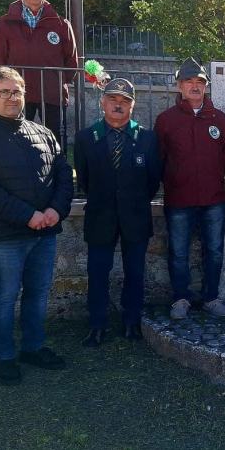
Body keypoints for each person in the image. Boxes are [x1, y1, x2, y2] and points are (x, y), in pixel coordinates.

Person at [0, 66, 73, 386]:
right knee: (5, 296)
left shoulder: (44, 133)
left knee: (38, 294)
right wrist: (28, 215)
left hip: (45, 231)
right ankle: (5, 355)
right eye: (4, 92)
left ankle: (33, 347)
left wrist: (55, 210)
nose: (12, 98)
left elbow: (64, 175)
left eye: (17, 91)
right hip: (5, 236)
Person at [74, 79, 161, 346]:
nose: (118, 105)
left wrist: (130, 200)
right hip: (100, 216)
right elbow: (85, 180)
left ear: (133, 105)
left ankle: (131, 321)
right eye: (113, 99)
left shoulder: (146, 138)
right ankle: (97, 324)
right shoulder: (86, 138)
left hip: (135, 216)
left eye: (125, 101)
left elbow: (153, 180)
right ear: (102, 103)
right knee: (98, 272)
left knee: (135, 272)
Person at [154, 57, 225, 320]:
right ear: (179, 86)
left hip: (213, 198)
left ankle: (211, 297)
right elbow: (159, 157)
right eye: (189, 81)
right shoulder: (166, 120)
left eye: (200, 82)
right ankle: (180, 298)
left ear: (206, 86)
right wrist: (176, 179)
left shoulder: (219, 119)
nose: (195, 86)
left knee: (214, 250)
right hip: (179, 199)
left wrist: (210, 176)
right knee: (178, 252)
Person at [0, 0, 78, 143]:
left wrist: (57, 81)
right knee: (17, 139)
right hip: (17, 94)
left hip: (52, 94)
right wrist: (9, 86)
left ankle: (56, 171)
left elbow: (71, 60)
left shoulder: (61, 24)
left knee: (55, 140)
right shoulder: (5, 23)